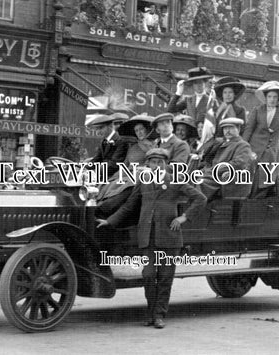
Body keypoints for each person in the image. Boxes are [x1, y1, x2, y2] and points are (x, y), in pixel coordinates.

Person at [96, 148, 207, 329]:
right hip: (148, 237)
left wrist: (183, 217)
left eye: (160, 162)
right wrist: (109, 221)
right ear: (147, 164)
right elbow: (130, 206)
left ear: (166, 164)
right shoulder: (143, 182)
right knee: (148, 275)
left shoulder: (174, 180)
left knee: (165, 277)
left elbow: (200, 198)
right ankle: (150, 313)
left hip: (169, 237)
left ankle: (159, 315)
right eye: (153, 162)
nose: (156, 166)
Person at [242, 81, 279, 195]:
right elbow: (249, 130)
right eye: (269, 96)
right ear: (265, 97)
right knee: (253, 180)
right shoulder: (257, 110)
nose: (272, 99)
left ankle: (262, 205)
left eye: (275, 97)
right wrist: (242, 147)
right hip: (255, 150)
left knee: (268, 181)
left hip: (272, 152)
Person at [96, 115, 155, 218]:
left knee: (126, 187)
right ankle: (99, 206)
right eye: (137, 131)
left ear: (147, 130)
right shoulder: (133, 147)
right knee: (109, 183)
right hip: (127, 173)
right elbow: (125, 164)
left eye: (141, 129)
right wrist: (116, 176)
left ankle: (105, 208)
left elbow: (152, 164)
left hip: (140, 175)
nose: (139, 132)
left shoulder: (153, 146)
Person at [200, 117, 254, 201]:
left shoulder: (242, 145)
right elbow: (209, 160)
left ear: (238, 129)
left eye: (231, 128)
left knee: (199, 185)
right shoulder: (221, 143)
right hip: (211, 174)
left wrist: (215, 169)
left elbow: (239, 163)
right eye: (225, 128)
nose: (227, 131)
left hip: (220, 177)